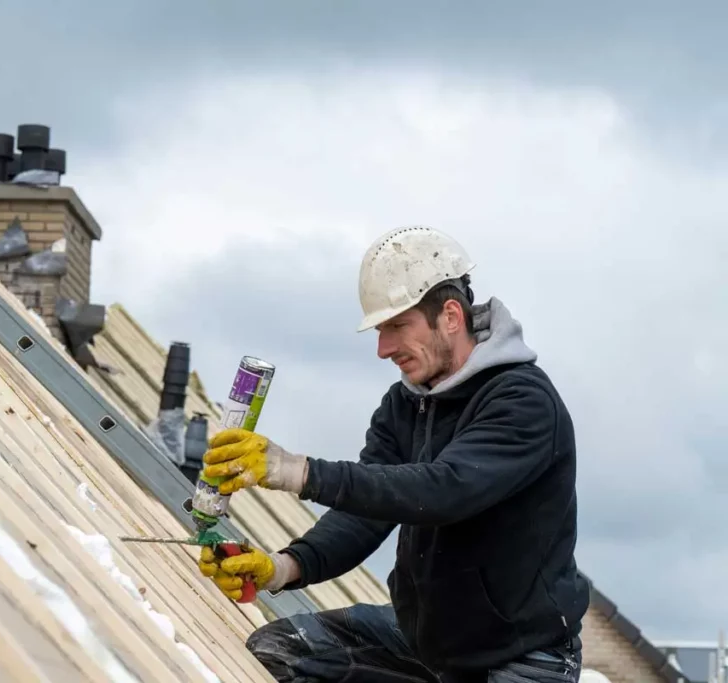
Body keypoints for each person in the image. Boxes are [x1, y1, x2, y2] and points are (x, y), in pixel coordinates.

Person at [196, 225, 591, 683]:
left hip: (518, 659)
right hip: (427, 641)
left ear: (449, 317)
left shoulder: (522, 402)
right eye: (381, 330)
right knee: (279, 651)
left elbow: (442, 490)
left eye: (397, 326)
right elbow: (367, 512)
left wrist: (295, 471)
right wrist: (282, 568)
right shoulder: (405, 404)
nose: (384, 349)